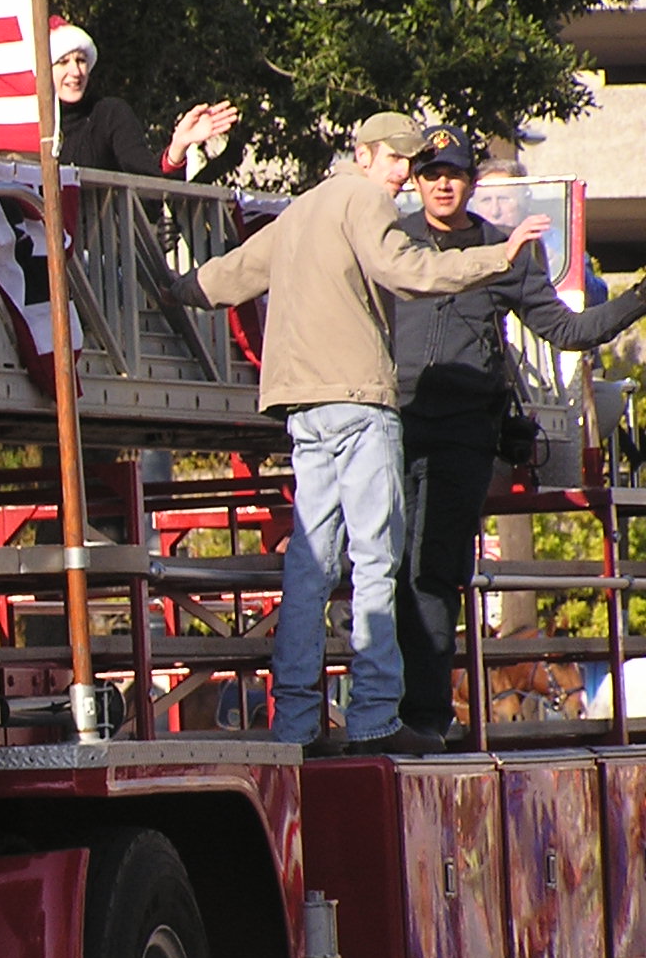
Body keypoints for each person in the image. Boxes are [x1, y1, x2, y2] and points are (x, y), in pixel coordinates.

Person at [171, 112, 553, 754]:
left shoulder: (303, 208)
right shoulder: (365, 203)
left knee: (309, 566)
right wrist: (499, 255)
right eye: (398, 160)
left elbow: (227, 277)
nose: (404, 175)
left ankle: (295, 723)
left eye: (409, 162)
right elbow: (408, 270)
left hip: (302, 406)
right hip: (359, 402)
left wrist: (167, 285)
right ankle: (375, 716)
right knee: (376, 560)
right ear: (366, 153)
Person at [392, 125, 646, 740]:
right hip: (392, 424)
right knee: (384, 567)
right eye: (430, 173)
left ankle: (421, 720)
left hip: (464, 433)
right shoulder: (391, 244)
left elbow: (568, 331)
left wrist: (639, 299)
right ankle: (382, 712)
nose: (442, 183)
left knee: (434, 571)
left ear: (470, 182)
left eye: (452, 172)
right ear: (416, 181)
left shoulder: (506, 250)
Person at [49, 18, 239, 178]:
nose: (75, 71)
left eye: (81, 60)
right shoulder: (28, 125)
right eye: (62, 62)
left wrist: (178, 146)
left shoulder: (109, 114)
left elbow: (147, 188)